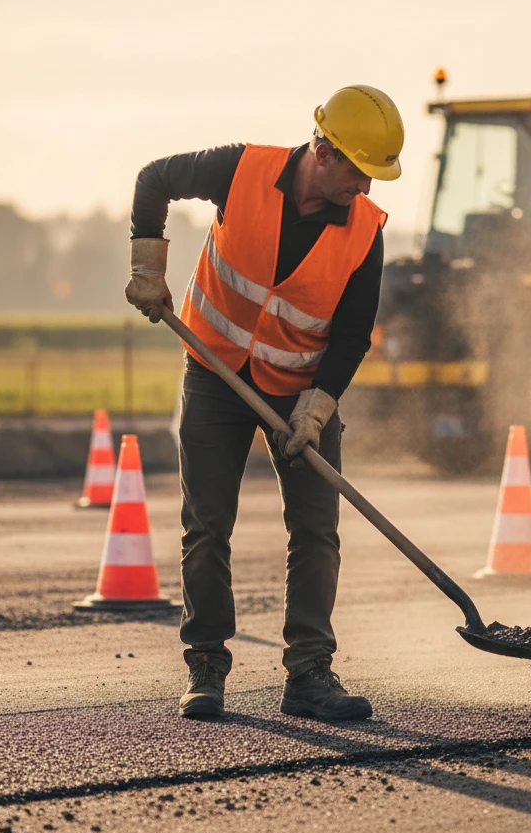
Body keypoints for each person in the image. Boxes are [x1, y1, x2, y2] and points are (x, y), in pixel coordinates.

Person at [125, 85, 404, 721]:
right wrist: (148, 262)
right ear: (325, 152)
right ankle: (206, 667)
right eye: (361, 172)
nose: (367, 188)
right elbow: (154, 179)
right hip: (214, 371)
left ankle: (309, 675)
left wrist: (318, 407)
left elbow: (354, 333)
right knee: (207, 523)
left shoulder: (366, 232)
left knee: (315, 531)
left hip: (300, 391)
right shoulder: (241, 169)